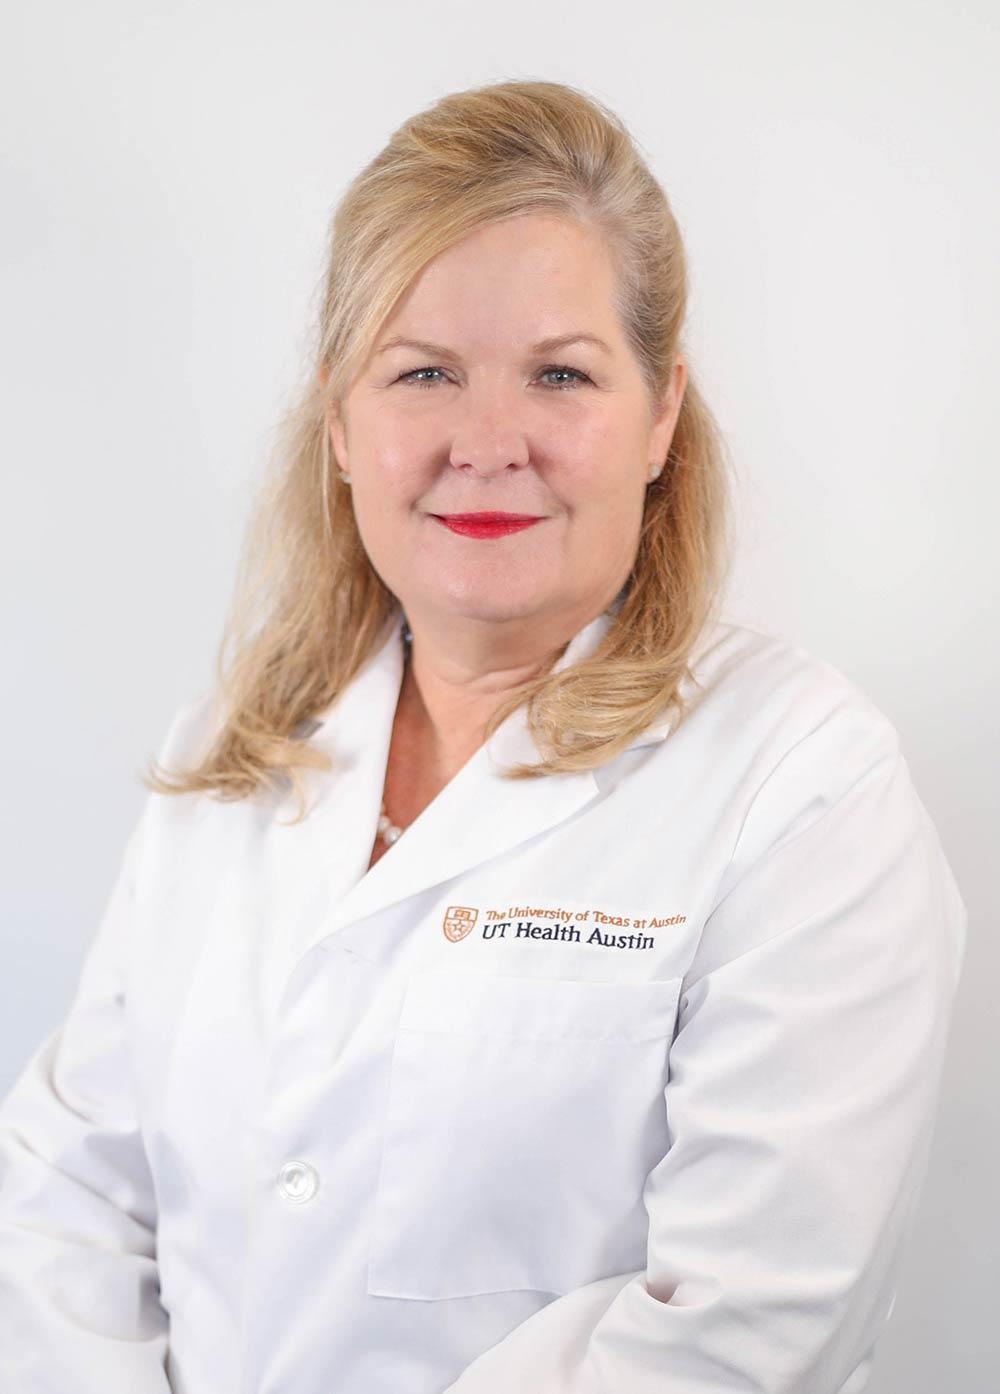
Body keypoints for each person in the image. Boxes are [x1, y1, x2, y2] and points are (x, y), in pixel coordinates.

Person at [0, 78, 967, 1394]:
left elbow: (745, 1327)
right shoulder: (234, 755)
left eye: (561, 374)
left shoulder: (803, 787)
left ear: (660, 416)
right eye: (424, 374)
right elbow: (63, 1199)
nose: (489, 442)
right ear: (341, 423)